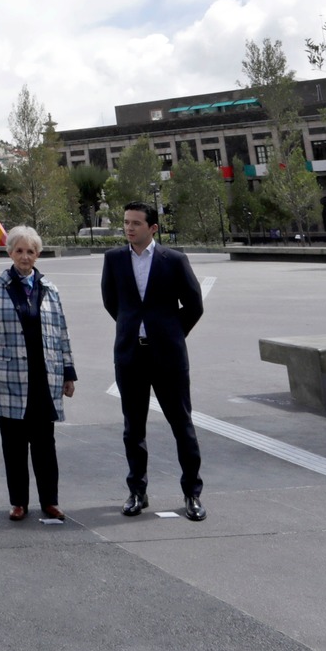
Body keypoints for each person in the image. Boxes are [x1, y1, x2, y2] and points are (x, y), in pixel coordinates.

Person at [100, 201, 206, 521]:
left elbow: (194, 304)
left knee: (182, 425)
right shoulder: (114, 259)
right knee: (134, 429)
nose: (129, 228)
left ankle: (192, 493)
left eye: (135, 223)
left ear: (153, 228)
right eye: (126, 222)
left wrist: (171, 333)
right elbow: (111, 302)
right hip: (131, 356)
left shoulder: (173, 260)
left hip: (168, 357)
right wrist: (134, 329)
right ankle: (137, 491)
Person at [0, 225, 76, 521]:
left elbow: (62, 334)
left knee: (45, 444)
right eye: (19, 250)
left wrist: (68, 372)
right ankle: (18, 502)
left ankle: (50, 501)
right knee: (14, 445)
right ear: (9, 253)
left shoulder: (50, 289)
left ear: (38, 254)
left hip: (45, 377)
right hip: (9, 378)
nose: (24, 256)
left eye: (30, 251)